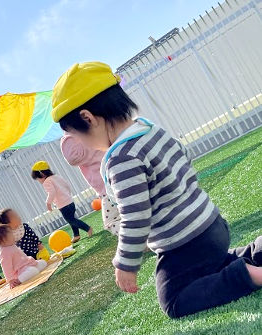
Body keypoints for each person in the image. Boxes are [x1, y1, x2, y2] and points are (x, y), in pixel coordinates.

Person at [50, 61, 262, 318]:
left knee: (173, 299)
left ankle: (249, 275)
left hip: (184, 242)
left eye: (80, 137)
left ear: (88, 117)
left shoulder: (122, 158)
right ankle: (254, 253)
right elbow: (184, 156)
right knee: (211, 263)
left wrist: (125, 264)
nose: (88, 146)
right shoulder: (149, 128)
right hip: (212, 224)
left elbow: (135, 217)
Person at [60, 134, 120, 235]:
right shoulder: (94, 130)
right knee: (129, 211)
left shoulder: (73, 138)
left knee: (111, 222)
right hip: (115, 174)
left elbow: (72, 158)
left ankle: (139, 240)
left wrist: (66, 137)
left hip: (106, 186)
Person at [31, 161, 93, 243]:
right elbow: (67, 185)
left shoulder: (47, 182)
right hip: (70, 202)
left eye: (38, 178)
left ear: (42, 174)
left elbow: (52, 192)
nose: (39, 181)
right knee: (72, 219)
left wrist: (48, 203)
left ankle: (87, 228)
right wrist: (67, 194)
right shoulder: (56, 177)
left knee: (71, 220)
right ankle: (76, 235)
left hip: (63, 205)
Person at [0, 224, 48, 288]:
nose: (14, 235)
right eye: (11, 235)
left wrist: (31, 261)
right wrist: (11, 280)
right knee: (33, 271)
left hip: (28, 264)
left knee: (43, 262)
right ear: (4, 240)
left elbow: (23, 256)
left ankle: (33, 271)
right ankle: (19, 280)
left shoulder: (12, 245)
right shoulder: (4, 252)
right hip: (21, 271)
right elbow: (6, 267)